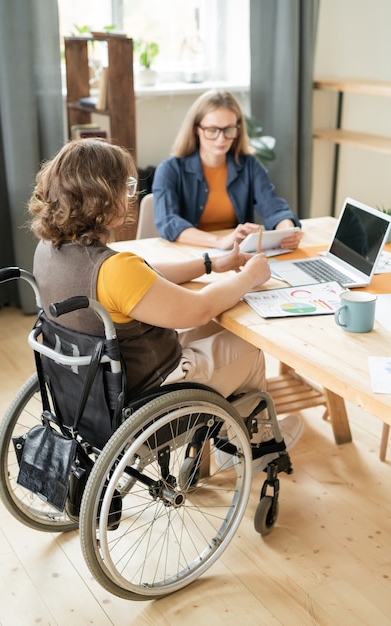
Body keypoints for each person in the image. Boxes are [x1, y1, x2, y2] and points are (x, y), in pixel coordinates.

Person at [28, 138, 302, 475]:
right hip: (151, 392)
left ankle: (225, 439)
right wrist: (249, 277)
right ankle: (248, 447)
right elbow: (199, 308)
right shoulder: (114, 269)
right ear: (102, 197)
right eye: (125, 187)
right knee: (248, 347)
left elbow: (145, 276)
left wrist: (211, 263)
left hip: (92, 389)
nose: (130, 196)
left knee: (213, 330)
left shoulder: (50, 250)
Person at [152, 89, 302, 250]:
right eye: (212, 130)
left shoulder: (249, 166)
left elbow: (274, 207)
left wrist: (287, 231)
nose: (221, 139)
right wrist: (220, 242)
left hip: (233, 255)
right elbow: (168, 221)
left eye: (228, 130)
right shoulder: (169, 170)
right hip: (189, 254)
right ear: (196, 129)